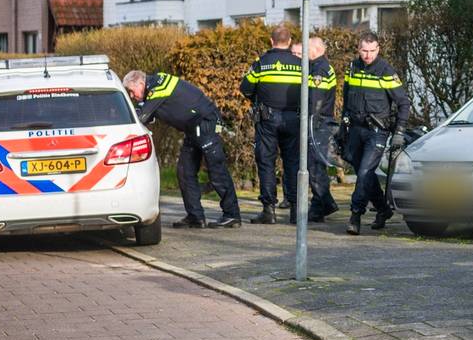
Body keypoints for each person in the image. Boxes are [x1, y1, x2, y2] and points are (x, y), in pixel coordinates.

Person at [122, 70, 241, 229]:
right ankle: (195, 217)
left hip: (206, 124)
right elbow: (148, 113)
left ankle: (232, 215)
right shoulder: (154, 88)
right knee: (185, 172)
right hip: (192, 129)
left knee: (217, 170)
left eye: (131, 91)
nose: (132, 96)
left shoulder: (158, 88)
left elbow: (142, 117)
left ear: (141, 84)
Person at [341, 32, 411, 235]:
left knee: (364, 173)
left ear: (378, 49)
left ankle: (355, 215)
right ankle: (383, 209)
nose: (368, 55)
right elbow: (346, 97)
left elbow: (404, 103)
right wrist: (343, 125)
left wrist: (399, 131)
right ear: (358, 49)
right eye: (364, 50)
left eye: (372, 51)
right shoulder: (353, 67)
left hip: (377, 131)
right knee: (364, 174)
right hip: (356, 129)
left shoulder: (386, 71)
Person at [240, 26, 303, 225]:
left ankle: (269, 210)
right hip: (294, 119)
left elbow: (245, 88)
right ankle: (295, 211)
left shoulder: (261, 63)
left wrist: (257, 98)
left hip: (267, 120)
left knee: (266, 162)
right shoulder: (301, 64)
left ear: (271, 41)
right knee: (293, 163)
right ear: (290, 41)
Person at [294, 38, 339, 222]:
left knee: (314, 167)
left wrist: (308, 123)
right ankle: (318, 208)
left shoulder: (319, 70)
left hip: (316, 124)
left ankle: (325, 203)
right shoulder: (321, 66)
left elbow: (315, 101)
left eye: (307, 48)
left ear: (316, 49)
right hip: (320, 122)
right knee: (316, 166)